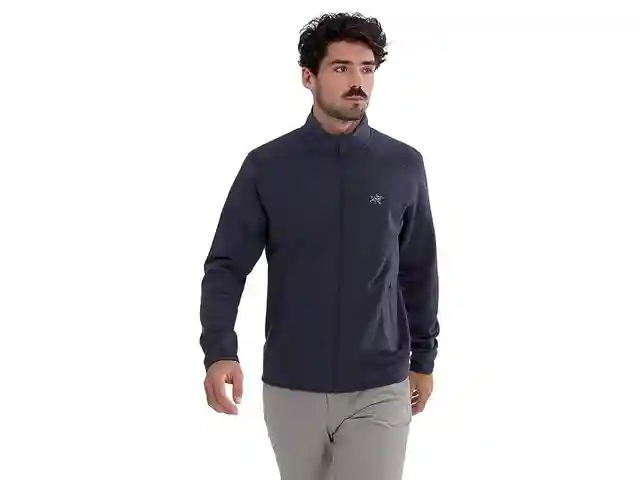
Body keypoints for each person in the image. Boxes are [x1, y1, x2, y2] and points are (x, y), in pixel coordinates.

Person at [200, 12, 440, 480]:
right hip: (292, 387)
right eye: (341, 68)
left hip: (379, 385)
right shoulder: (268, 167)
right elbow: (227, 265)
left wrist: (424, 357)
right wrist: (220, 349)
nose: (357, 82)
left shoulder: (402, 165)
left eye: (367, 69)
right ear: (308, 77)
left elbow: (418, 268)